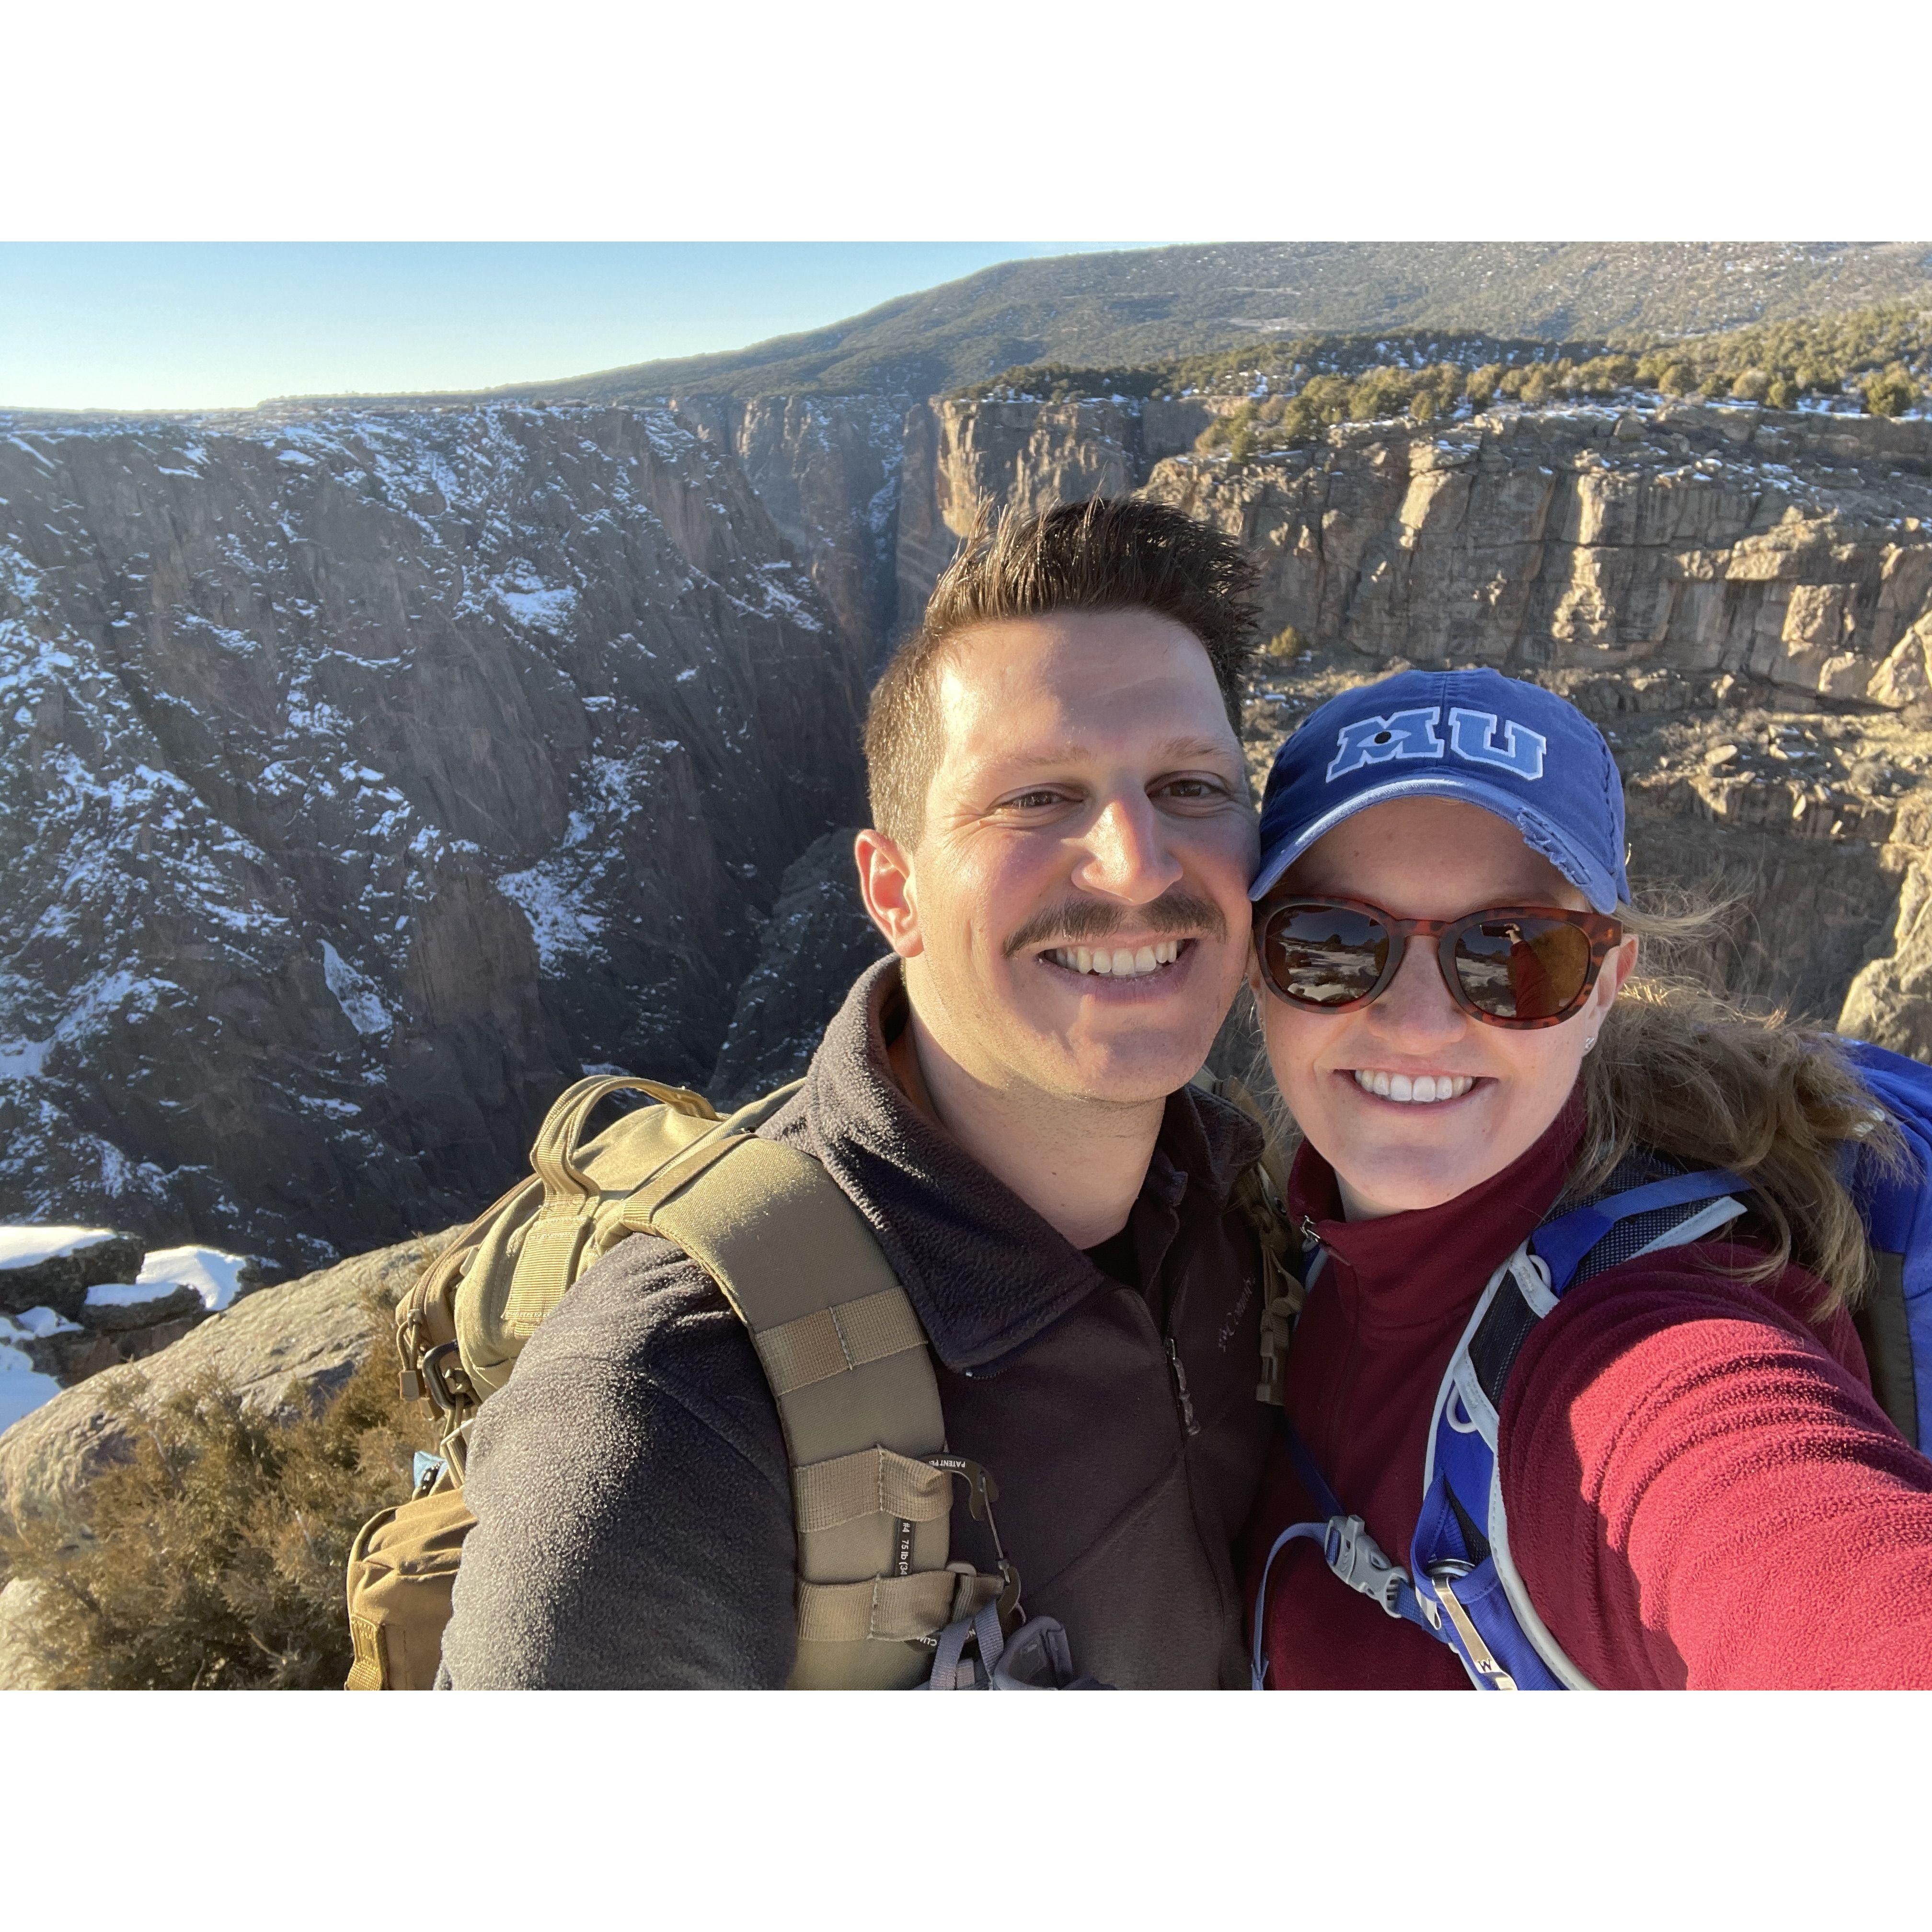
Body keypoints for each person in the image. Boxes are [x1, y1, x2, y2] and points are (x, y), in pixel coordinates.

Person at [439, 499, 1277, 1688]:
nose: (1137, 863)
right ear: (894, 893)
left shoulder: (1259, 1218)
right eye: (1036, 798)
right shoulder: (666, 1418)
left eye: (1192, 785)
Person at [1243, 666, 1932, 1689]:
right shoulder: (1262, 1246)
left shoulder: (1647, 1354)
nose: (1420, 1023)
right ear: (1254, 966)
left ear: (1606, 985)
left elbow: (1818, 1579)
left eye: (1516, 954)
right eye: (1334, 944)